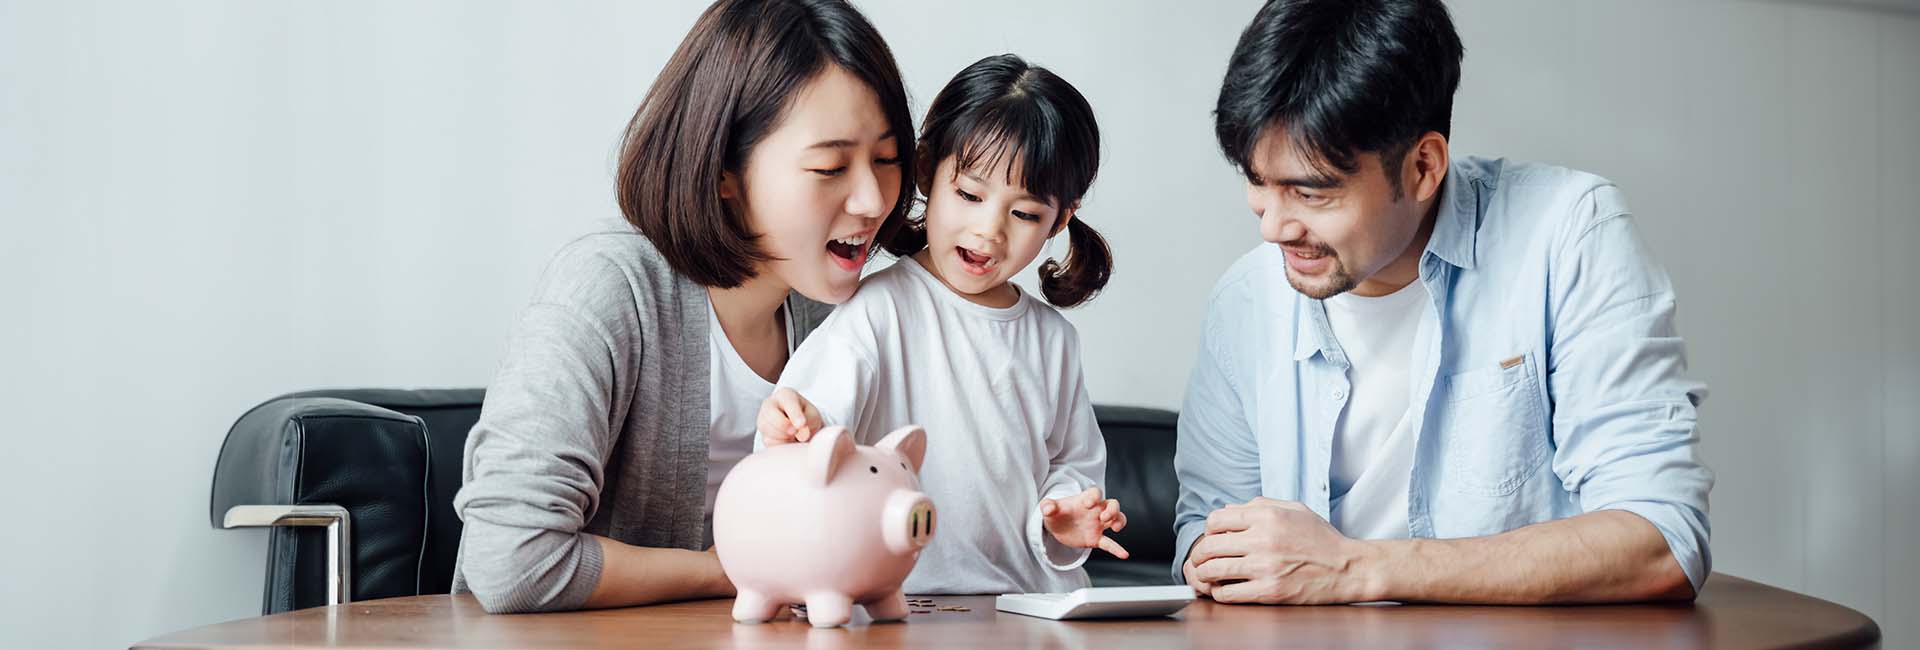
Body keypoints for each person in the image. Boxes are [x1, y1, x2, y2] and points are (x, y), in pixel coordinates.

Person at [1174, 0, 1713, 605]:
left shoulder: (1567, 236)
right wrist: (1212, 557)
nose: (1273, 227)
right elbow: (1204, 529)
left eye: (1310, 192)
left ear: (1424, 166)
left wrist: (1355, 569)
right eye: (1257, 181)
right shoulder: (1244, 303)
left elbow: (1661, 540)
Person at [450, 0, 915, 613]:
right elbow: (512, 561)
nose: (872, 198)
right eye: (830, 166)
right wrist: (734, 571)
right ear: (725, 170)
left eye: (886, 159)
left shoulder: (841, 319)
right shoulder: (610, 289)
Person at [759, 54, 1127, 595]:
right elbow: (808, 446)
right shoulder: (876, 313)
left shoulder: (1053, 340)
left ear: (1060, 219)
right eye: (971, 196)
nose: (989, 231)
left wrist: (1068, 514)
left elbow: (1073, 465)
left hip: (1030, 607)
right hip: (909, 605)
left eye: (1024, 214)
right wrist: (791, 429)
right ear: (929, 170)